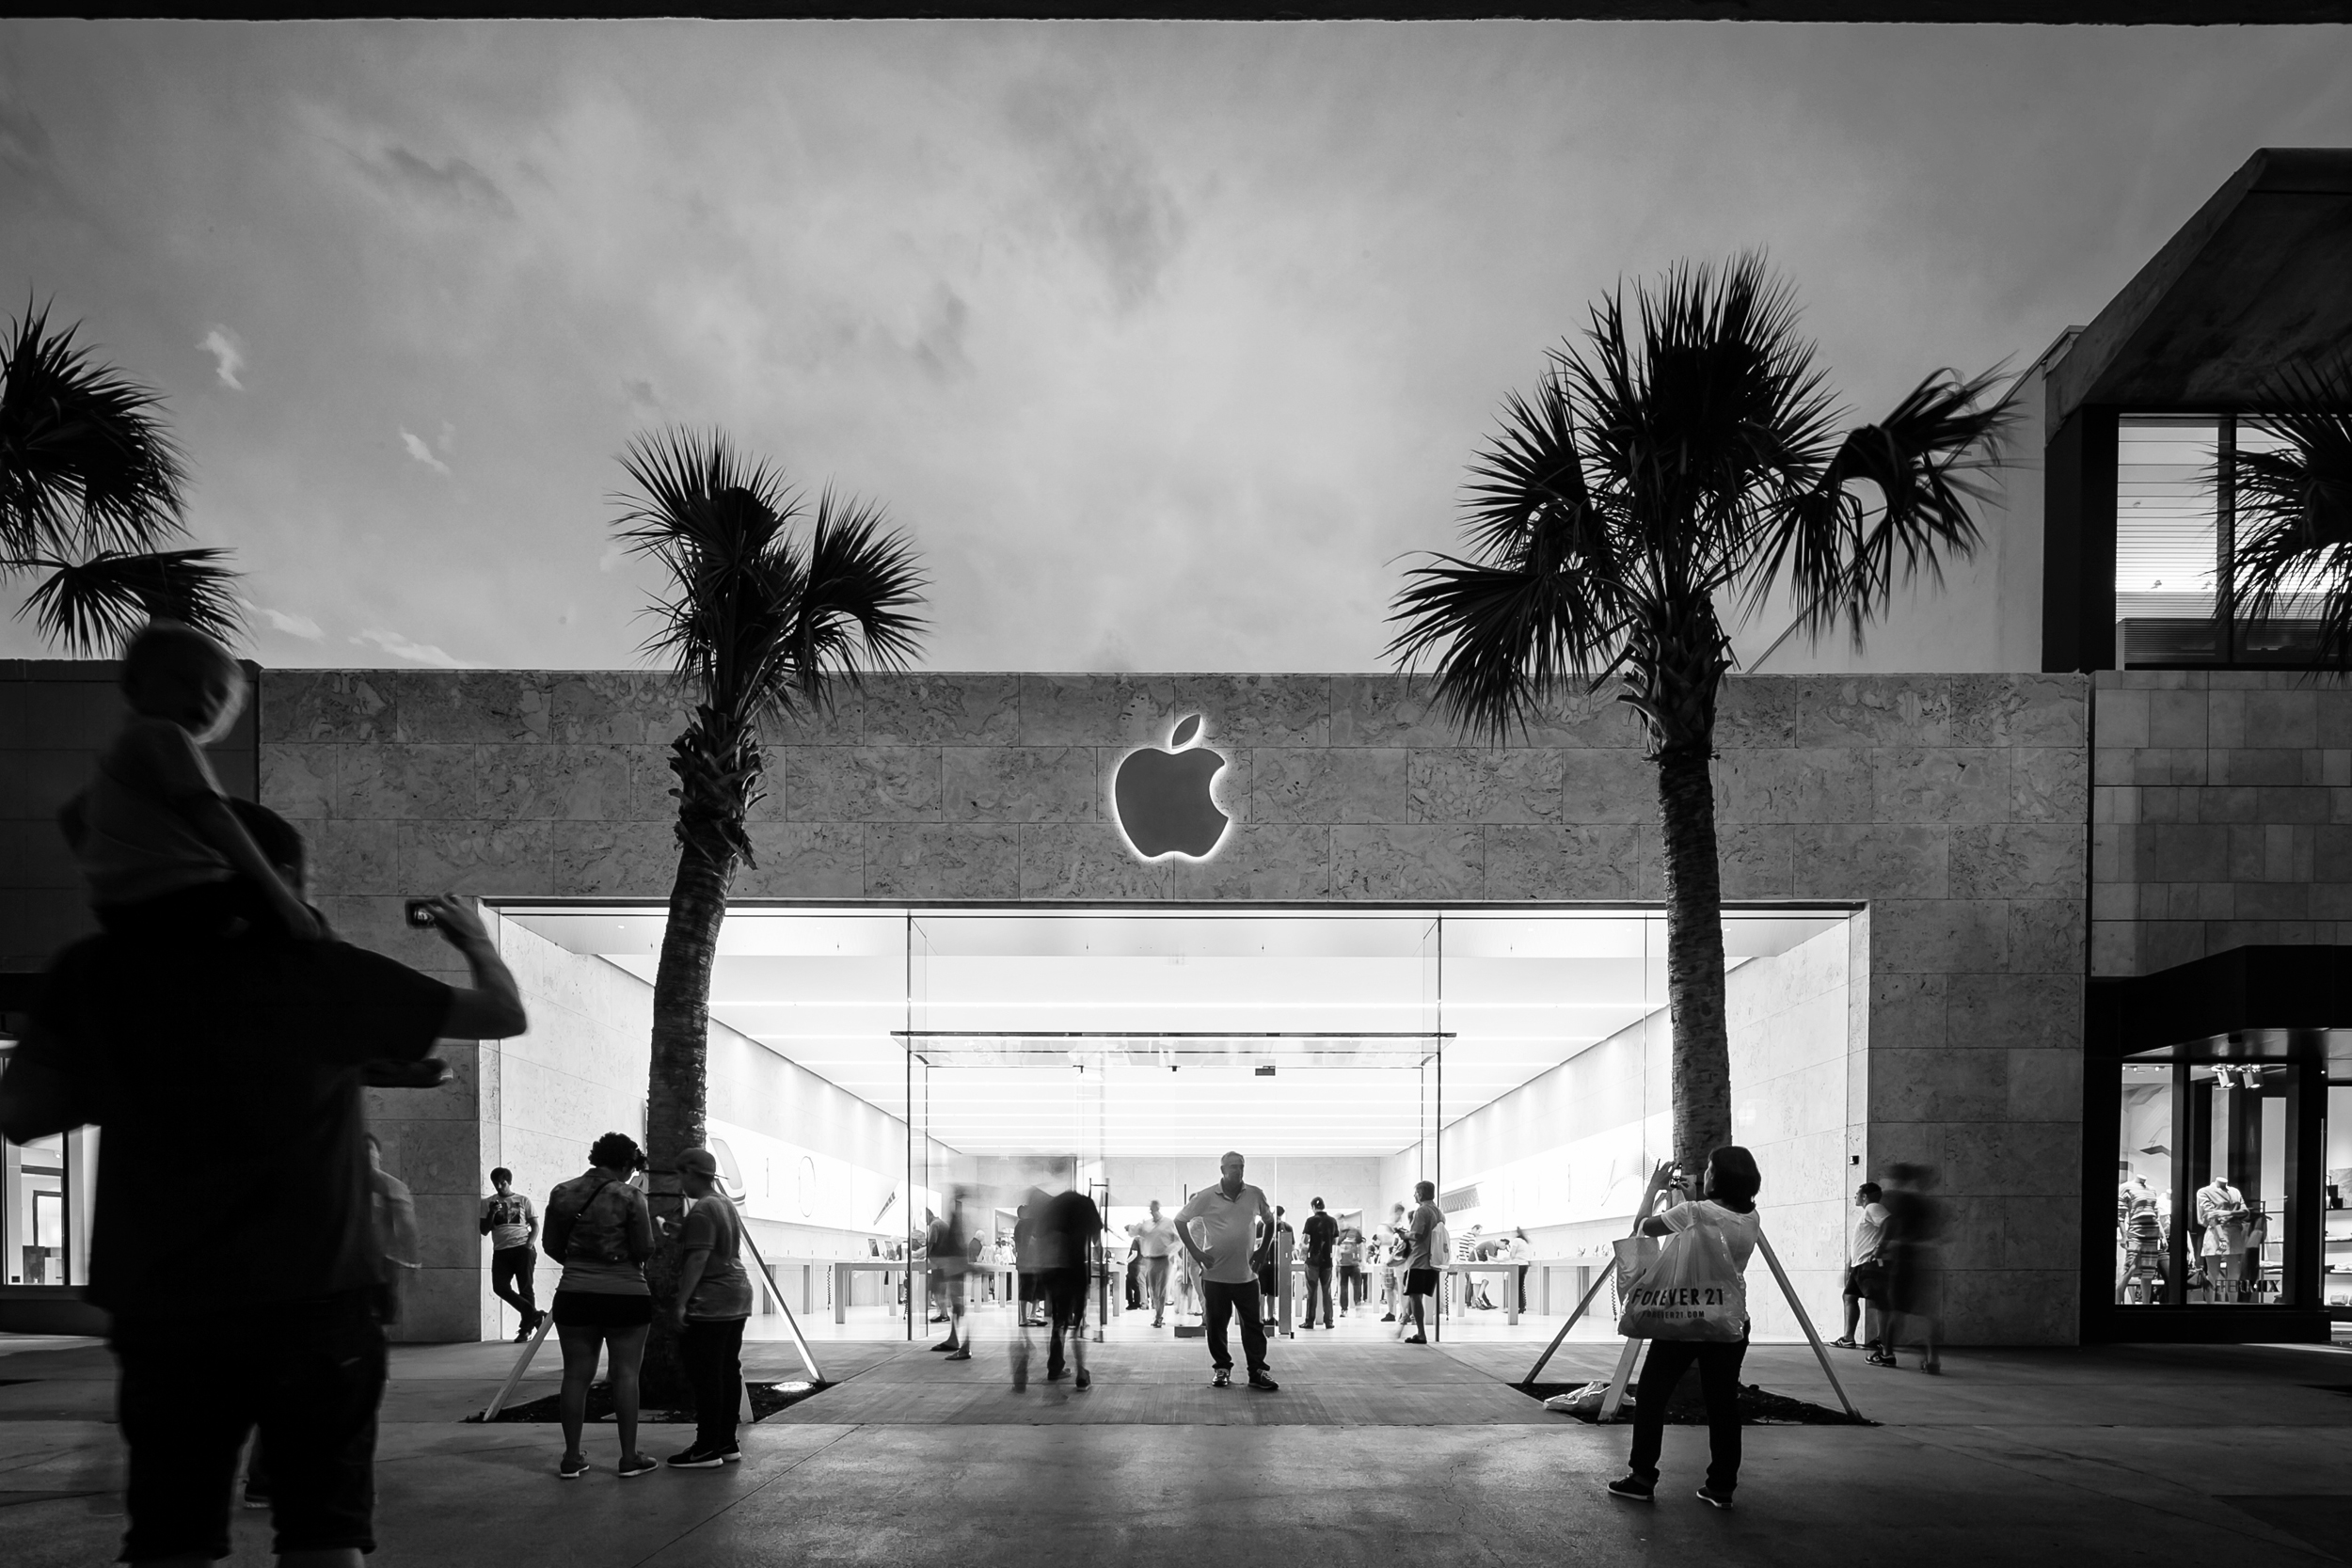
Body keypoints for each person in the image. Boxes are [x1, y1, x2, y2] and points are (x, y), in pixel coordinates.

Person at [0, 798, 525, 1568]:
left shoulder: (98, 970)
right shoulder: (317, 973)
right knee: (322, 1531)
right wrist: (474, 937)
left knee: (170, 1538)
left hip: (165, 1301)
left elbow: (22, 1113)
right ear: (273, 876)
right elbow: (502, 1013)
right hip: (313, 1296)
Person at [56, 618, 319, 944]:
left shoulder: (119, 756)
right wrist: (281, 896)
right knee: (304, 924)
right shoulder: (165, 733)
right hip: (183, 899)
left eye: (218, 693)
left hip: (119, 913)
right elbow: (215, 817)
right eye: (185, 681)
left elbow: (70, 816)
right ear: (135, 685)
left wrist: (112, 874)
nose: (203, 697)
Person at [1607, 1147, 1764, 1512]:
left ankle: (1642, 1477)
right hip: (1728, 1322)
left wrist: (1654, 1190)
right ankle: (1721, 1486)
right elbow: (1714, 1224)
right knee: (1723, 1404)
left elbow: (1642, 1228)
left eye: (1709, 1169)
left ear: (1718, 1177)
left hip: (1682, 1319)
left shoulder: (1692, 1212)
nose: (1704, 1174)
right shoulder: (1751, 1217)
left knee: (1651, 1397)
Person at [545, 1132, 659, 1481]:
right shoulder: (630, 1195)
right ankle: (628, 1458)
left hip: (575, 1292)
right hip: (626, 1294)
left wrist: (580, 1262)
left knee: (575, 1375)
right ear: (625, 1164)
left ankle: (571, 1456)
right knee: (625, 1375)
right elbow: (645, 1249)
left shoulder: (562, 1192)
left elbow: (551, 1245)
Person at [665, 1146, 754, 1468]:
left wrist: (681, 1302)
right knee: (728, 1369)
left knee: (706, 1374)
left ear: (690, 1173)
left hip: (712, 1300)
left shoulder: (702, 1209)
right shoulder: (724, 1204)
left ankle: (706, 1447)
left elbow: (699, 1259)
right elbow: (712, 1244)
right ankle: (727, 1441)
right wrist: (680, 1232)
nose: (679, 1181)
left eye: (680, 1174)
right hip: (737, 1296)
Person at [1174, 1152, 1280, 1391]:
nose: (1238, 1171)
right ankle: (1222, 1368)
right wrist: (1196, 1252)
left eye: (1241, 1167)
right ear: (1222, 1169)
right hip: (1215, 1276)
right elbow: (1180, 1221)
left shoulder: (1255, 1194)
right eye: (1233, 1167)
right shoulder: (1206, 1196)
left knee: (1254, 1325)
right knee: (1216, 1325)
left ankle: (1257, 1371)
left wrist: (1263, 1250)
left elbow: (1269, 1221)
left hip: (1247, 1276)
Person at [1874, 1163, 1946, 1373]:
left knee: (1895, 1308)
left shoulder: (1894, 1200)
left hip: (1901, 1255)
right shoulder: (1925, 1203)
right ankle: (1932, 1358)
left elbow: (1889, 1229)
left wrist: (1879, 1250)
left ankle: (1887, 1353)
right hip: (1924, 1254)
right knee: (1928, 1313)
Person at [1032, 1182, 1104, 1391]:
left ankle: (1055, 1366)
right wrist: (1098, 1261)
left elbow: (1038, 1237)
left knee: (1058, 1320)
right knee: (1078, 1323)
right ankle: (1082, 1372)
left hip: (1054, 1270)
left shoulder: (1053, 1206)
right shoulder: (1085, 1203)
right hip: (1075, 1268)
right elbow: (1096, 1238)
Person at [482, 1166, 543, 1341]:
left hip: (522, 1248)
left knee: (525, 1288)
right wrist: (492, 1213)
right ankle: (535, 1315)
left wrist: (529, 1244)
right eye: (496, 1183)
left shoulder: (523, 1200)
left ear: (509, 1181)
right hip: (501, 1250)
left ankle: (525, 1329)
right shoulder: (488, 1203)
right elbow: (484, 1230)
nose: (499, 1187)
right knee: (500, 1287)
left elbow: (535, 1225)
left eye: (503, 1183)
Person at [1835, 1181, 1888, 1349]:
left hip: (1869, 1265)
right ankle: (1848, 1338)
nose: (1855, 1197)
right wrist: (1850, 1263)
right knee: (1849, 1297)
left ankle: (1882, 1339)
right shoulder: (1868, 1211)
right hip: (1860, 1265)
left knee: (1879, 1301)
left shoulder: (1873, 1207)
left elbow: (1889, 1223)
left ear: (1864, 1196)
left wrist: (1880, 1248)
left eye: (1857, 1194)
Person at [928, 1186, 973, 1361]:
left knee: (958, 1305)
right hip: (955, 1266)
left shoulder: (954, 1219)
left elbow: (956, 1245)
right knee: (957, 1305)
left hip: (955, 1266)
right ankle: (956, 1341)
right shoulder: (956, 1219)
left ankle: (963, 1345)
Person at [1401, 1182, 1442, 1344]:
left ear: (1421, 1193)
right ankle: (1420, 1332)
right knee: (1419, 1296)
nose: (1414, 1196)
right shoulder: (1438, 1212)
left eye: (1416, 1192)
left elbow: (1417, 1235)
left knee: (1415, 1297)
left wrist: (1404, 1235)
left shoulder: (1422, 1211)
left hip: (1418, 1259)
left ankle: (1421, 1333)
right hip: (1431, 1260)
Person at [1136, 1198, 1178, 1327]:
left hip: (1164, 1259)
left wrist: (1170, 1250)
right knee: (1153, 1289)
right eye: (1151, 1209)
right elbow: (1141, 1236)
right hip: (1150, 1259)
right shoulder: (1147, 1224)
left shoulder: (1168, 1222)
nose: (1152, 1211)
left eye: (1154, 1209)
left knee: (1162, 1288)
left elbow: (1177, 1240)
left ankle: (1159, 1315)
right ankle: (1157, 1314)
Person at [1301, 1196, 1339, 1329]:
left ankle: (1309, 1321)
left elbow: (1305, 1240)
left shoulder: (1310, 1221)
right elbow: (1335, 1241)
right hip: (1327, 1261)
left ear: (1313, 1207)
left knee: (1312, 1291)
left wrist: (1305, 1249)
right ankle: (1329, 1321)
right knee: (1327, 1291)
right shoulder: (1332, 1221)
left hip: (1313, 1260)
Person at [1335, 1226, 1362, 1319]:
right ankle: (1344, 1309)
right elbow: (1336, 1247)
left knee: (1357, 1287)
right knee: (1343, 1288)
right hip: (1342, 1265)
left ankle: (1358, 1307)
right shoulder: (1338, 1234)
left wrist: (1362, 1260)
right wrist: (1336, 1259)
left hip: (1354, 1264)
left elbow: (1361, 1246)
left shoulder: (1355, 1233)